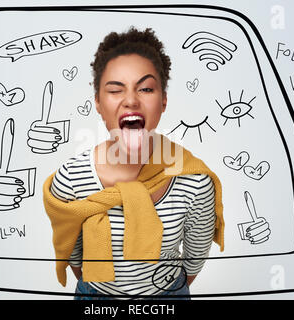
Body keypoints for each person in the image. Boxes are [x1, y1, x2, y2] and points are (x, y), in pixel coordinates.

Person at [42, 27, 224, 300]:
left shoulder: (194, 180)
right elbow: (75, 257)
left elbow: (195, 257)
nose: (131, 100)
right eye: (115, 90)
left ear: (163, 101)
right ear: (98, 104)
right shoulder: (70, 178)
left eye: (146, 89)